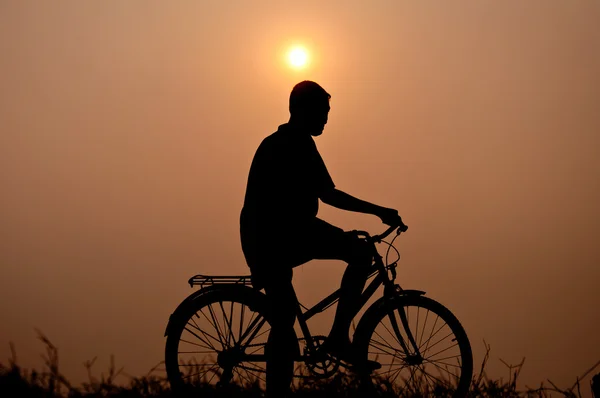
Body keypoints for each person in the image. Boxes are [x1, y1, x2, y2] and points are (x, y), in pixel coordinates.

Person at [240, 80, 405, 397]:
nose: (326, 119)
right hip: (277, 235)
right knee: (356, 255)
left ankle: (286, 384)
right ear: (304, 111)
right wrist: (378, 210)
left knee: (284, 316)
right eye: (323, 112)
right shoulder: (293, 143)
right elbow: (327, 194)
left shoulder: (286, 141)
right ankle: (339, 339)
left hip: (282, 232)